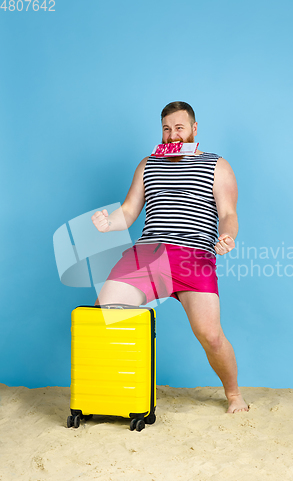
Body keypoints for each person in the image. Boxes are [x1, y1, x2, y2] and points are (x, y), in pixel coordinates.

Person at [91, 101, 249, 414]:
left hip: (194, 256)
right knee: (104, 315)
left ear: (193, 128)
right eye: (166, 129)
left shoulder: (217, 165)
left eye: (179, 128)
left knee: (210, 335)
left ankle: (233, 395)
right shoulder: (147, 164)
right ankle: (113, 392)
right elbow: (128, 211)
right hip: (147, 253)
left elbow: (229, 214)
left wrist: (227, 235)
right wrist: (109, 224)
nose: (172, 135)